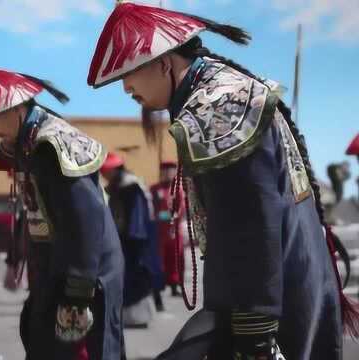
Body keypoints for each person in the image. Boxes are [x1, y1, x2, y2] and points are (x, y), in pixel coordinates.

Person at [87, 2, 355, 359]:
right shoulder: (216, 90)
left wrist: (254, 333)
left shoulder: (218, 106)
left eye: (128, 75)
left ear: (164, 62)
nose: (125, 89)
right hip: (274, 282)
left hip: (267, 299)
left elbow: (252, 221)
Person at [0, 63, 125, 360]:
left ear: (17, 109)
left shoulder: (53, 144)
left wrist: (77, 292)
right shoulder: (26, 143)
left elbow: (84, 222)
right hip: (55, 265)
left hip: (86, 272)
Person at [100, 152, 164, 326]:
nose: (103, 175)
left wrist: (131, 239)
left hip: (135, 243)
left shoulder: (131, 187)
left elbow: (137, 220)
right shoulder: (117, 187)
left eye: (105, 171)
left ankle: (138, 317)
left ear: (114, 170)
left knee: (136, 278)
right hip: (124, 240)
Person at [150, 161, 183, 297]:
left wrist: (174, 216)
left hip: (174, 229)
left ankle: (175, 286)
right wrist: (161, 216)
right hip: (159, 231)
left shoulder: (178, 189)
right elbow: (151, 208)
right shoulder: (154, 189)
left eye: (171, 171)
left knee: (175, 259)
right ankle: (158, 288)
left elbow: (180, 207)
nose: (168, 174)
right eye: (165, 171)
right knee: (160, 259)